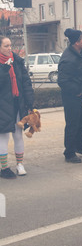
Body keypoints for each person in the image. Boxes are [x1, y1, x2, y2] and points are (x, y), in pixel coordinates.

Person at [0, 36, 34, 179]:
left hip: (17, 103)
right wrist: (5, 69)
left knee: (18, 135)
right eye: (6, 46)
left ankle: (20, 164)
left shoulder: (17, 61)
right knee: (3, 136)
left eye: (10, 45)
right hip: (3, 105)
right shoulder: (4, 64)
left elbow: (26, 83)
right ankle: (4, 167)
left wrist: (30, 103)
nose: (10, 49)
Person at [58, 29, 82, 163]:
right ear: (77, 43)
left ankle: (80, 147)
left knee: (79, 121)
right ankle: (69, 152)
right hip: (71, 96)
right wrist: (77, 91)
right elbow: (62, 81)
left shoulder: (79, 53)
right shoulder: (68, 59)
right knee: (72, 123)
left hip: (78, 95)